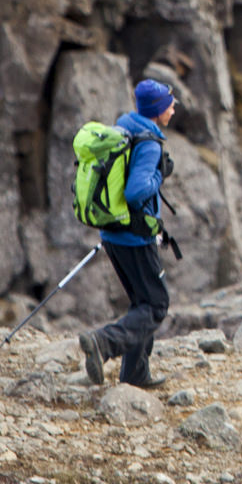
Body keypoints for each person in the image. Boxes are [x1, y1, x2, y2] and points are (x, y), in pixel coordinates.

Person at [79, 78, 178, 389]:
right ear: (157, 110)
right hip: (136, 238)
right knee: (156, 305)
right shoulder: (149, 143)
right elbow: (136, 192)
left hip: (114, 235)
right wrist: (160, 173)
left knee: (141, 302)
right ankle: (104, 342)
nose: (174, 108)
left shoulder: (126, 127)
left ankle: (135, 374)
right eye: (169, 104)